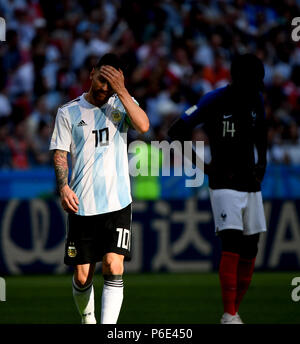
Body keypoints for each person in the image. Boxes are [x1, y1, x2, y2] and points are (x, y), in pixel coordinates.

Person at [49, 53, 149, 324]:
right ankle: (87, 318)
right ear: (92, 74)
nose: (105, 88)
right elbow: (60, 153)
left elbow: (143, 125)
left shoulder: (122, 105)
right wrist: (63, 187)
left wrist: (123, 90)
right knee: (82, 275)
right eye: (102, 80)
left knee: (113, 265)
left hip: (117, 203)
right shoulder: (68, 112)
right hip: (82, 204)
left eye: (111, 83)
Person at [168, 53, 267, 324]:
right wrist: (204, 166)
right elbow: (175, 132)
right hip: (224, 182)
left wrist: (263, 162)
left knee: (251, 248)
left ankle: (233, 313)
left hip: (250, 182)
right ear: (239, 78)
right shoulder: (214, 100)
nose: (257, 85)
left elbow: (261, 133)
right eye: (254, 80)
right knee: (232, 242)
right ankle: (230, 314)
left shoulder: (256, 99)